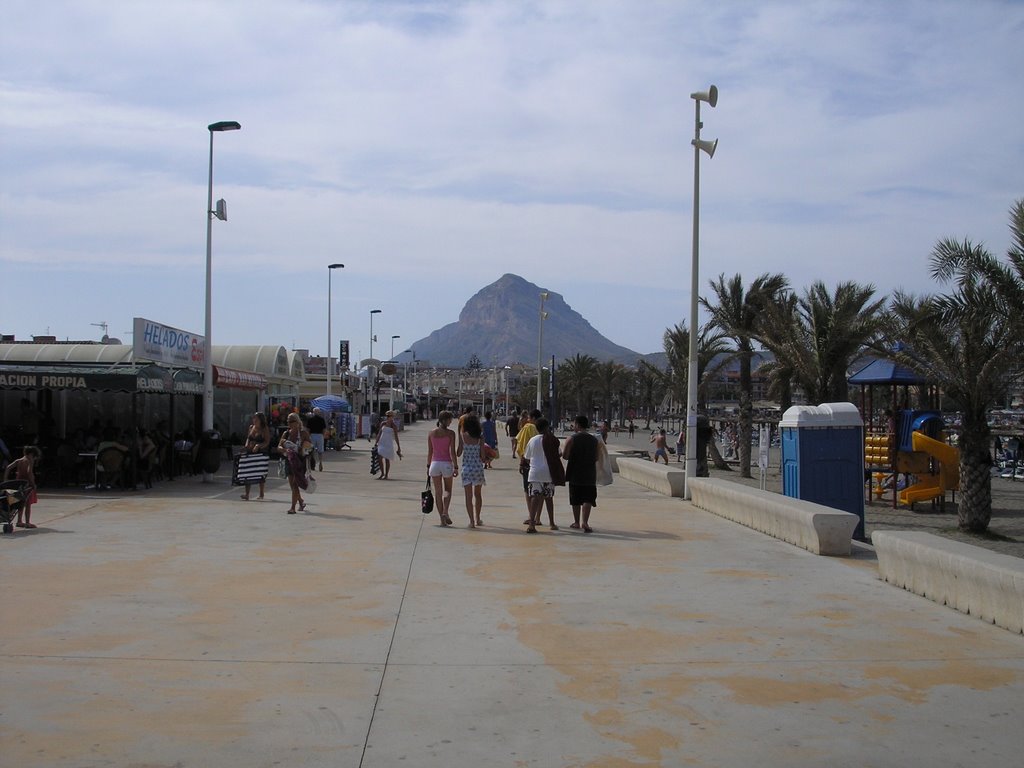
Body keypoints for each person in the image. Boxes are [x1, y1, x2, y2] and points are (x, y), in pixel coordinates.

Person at [523, 417, 564, 532]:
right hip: (548, 473)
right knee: (549, 498)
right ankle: (552, 523)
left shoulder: (533, 440)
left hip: (535, 473)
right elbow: (558, 454)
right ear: (547, 427)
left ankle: (532, 524)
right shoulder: (552, 439)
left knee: (534, 498)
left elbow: (526, 457)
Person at [562, 414, 599, 532]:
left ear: (577, 425)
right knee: (588, 498)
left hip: (575, 473)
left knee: (576, 499)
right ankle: (585, 522)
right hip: (590, 473)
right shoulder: (594, 440)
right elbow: (597, 457)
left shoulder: (571, 439)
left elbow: (565, 456)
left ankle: (576, 522)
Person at [427, 411, 458, 527]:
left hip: (434, 464)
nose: (451, 422)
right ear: (445, 420)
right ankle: (445, 511)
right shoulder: (451, 434)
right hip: (446, 463)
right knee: (448, 490)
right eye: (450, 419)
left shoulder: (431, 433)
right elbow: (452, 452)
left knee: (438, 492)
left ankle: (442, 519)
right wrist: (455, 466)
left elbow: (430, 452)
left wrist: (428, 466)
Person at [457, 413, 486, 527]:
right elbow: (483, 456)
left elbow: (458, 453)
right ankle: (478, 518)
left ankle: (471, 521)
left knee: (468, 497)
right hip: (477, 469)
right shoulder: (480, 438)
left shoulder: (463, 435)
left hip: (466, 469)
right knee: (478, 495)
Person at [279, 412, 310, 514]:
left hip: (300, 462)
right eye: (288, 421)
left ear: (297, 422)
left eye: (291, 421)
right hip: (289, 461)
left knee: (294, 484)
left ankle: (293, 507)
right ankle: (300, 501)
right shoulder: (286, 434)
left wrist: (302, 449)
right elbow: (278, 447)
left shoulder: (303, 433)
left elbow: (309, 447)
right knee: (292, 485)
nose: (289, 423)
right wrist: (284, 450)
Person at [4, 445, 41, 528]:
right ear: (32, 454)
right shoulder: (30, 461)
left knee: (20, 503)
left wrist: (5, 480)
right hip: (27, 484)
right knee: (28, 504)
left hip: (18, 484)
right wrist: (33, 484)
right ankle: (27, 522)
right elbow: (29, 472)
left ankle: (19, 521)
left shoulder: (19, 460)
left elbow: (8, 467)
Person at [515, 409, 541, 523]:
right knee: (540, 492)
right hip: (541, 463)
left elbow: (522, 446)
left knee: (528, 490)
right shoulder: (543, 428)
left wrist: (521, 462)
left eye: (529, 418)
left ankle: (531, 516)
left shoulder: (528, 428)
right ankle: (538, 518)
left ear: (533, 418)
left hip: (529, 463)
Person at [240, 412, 271, 501]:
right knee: (247, 472)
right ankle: (247, 494)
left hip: (260, 453)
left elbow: (267, 441)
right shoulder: (251, 427)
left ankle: (261, 493)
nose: (254, 420)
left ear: (261, 420)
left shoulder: (264, 429)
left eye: (256, 419)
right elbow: (248, 438)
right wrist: (246, 446)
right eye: (254, 418)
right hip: (250, 452)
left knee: (260, 472)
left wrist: (258, 446)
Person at [374, 410, 402, 480]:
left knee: (387, 459)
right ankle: (382, 473)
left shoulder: (394, 426)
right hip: (382, 442)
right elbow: (379, 433)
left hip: (388, 444)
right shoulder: (383, 423)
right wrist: (376, 442)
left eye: (389, 416)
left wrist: (398, 447)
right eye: (387, 416)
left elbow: (396, 437)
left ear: (392, 417)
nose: (388, 417)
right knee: (379, 458)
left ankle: (386, 475)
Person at [307, 407, 327, 472]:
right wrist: (323, 436)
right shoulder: (322, 419)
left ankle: (312, 464)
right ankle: (320, 462)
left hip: (312, 435)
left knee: (311, 450)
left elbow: (308, 430)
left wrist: (308, 436)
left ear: (313, 412)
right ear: (319, 412)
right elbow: (324, 429)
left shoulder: (310, 419)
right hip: (320, 435)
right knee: (320, 451)